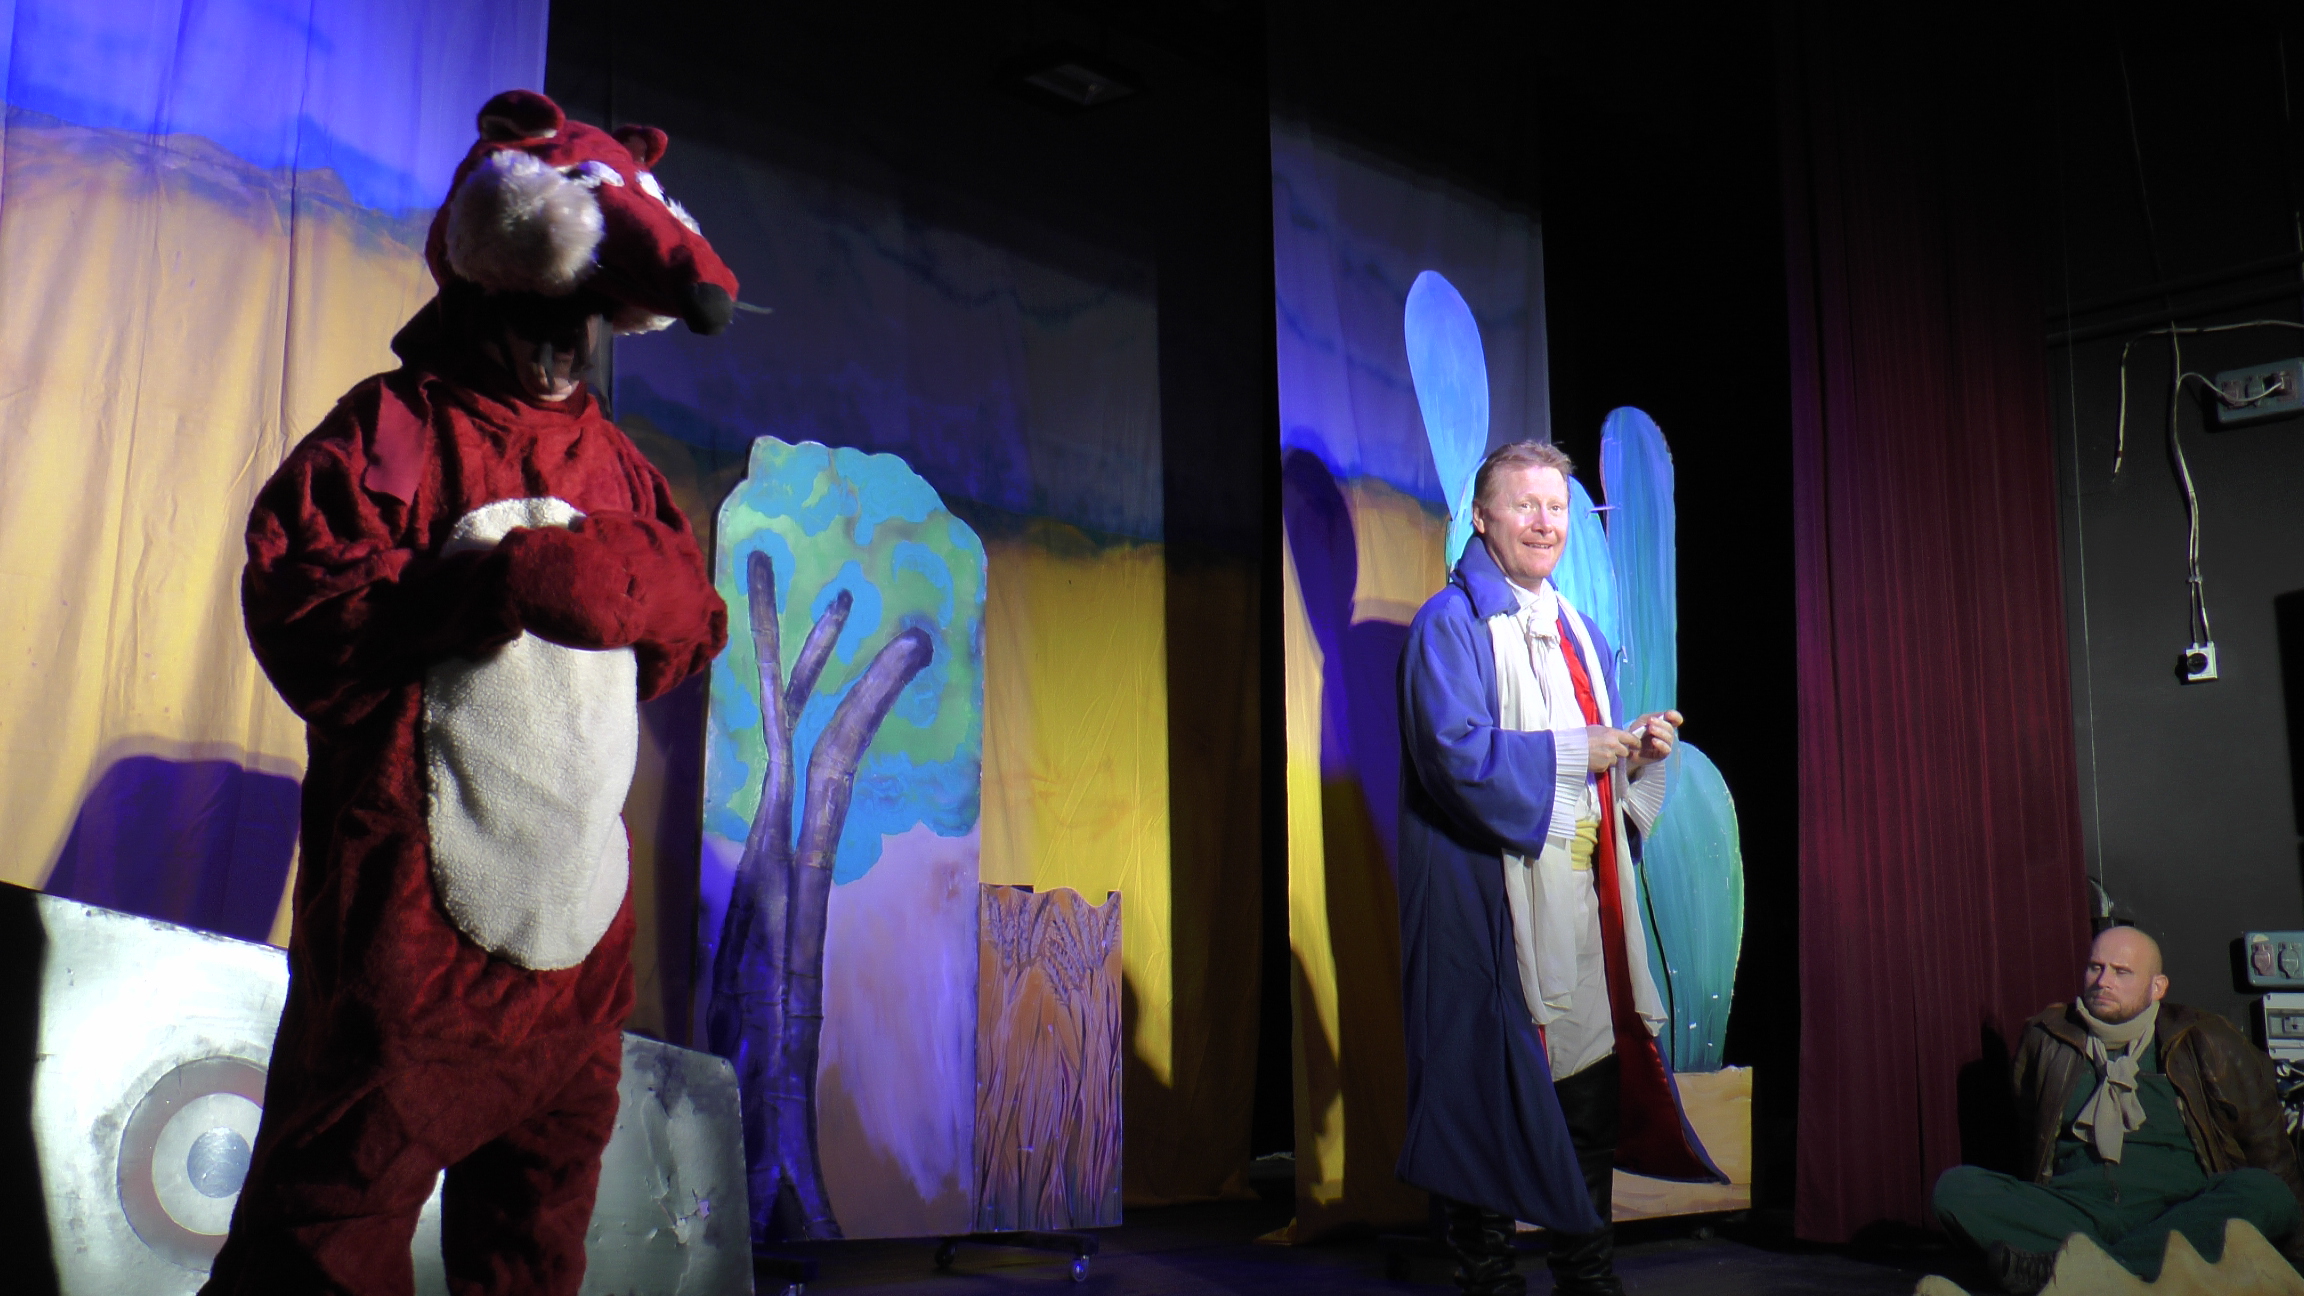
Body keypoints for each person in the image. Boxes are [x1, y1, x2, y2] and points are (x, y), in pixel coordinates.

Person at [204, 91, 738, 1294]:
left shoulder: (619, 466)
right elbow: (308, 615)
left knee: (533, 1247)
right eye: (544, 320)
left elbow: (685, 630)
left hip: (575, 953)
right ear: (488, 289)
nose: (562, 354)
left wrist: (638, 590)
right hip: (413, 953)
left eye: (585, 325)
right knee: (328, 1231)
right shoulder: (391, 430)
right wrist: (496, 584)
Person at [1396, 439, 1722, 1296]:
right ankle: (1488, 1279)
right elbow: (1455, 757)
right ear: (1481, 517)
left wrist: (1636, 753)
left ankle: (1589, 1276)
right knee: (1485, 1091)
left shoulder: (1579, 631)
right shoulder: (1450, 625)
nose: (1544, 524)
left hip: (1578, 894)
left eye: (1556, 508)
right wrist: (1581, 750)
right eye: (1525, 505)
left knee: (1588, 1085)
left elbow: (1591, 778)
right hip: (1492, 901)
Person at [1934, 925, 2304, 1293]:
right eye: (2095, 968)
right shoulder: (2047, 1037)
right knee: (1954, 1191)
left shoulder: (2206, 1038)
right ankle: (2130, 1266)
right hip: (2076, 1211)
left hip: (2179, 1212)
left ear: (2157, 987)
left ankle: (2077, 1268)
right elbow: (2028, 1143)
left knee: (2267, 1192)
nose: (2103, 981)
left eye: (2121, 972)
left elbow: (2267, 1149)